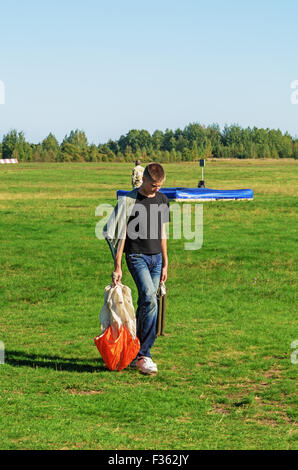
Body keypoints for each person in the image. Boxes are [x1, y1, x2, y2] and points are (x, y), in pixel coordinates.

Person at [109, 163, 170, 375]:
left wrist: (165, 260)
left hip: (156, 259)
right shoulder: (131, 201)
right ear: (143, 180)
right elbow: (121, 236)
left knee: (147, 302)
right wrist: (118, 265)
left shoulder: (162, 200)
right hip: (136, 257)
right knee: (149, 298)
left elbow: (162, 232)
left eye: (160, 185)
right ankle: (145, 355)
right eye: (154, 185)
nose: (157, 189)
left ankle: (137, 351)